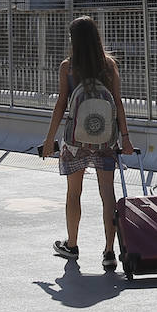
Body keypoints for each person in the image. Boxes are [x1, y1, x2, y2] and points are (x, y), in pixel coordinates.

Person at [41, 16, 134, 271]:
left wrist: (50, 140)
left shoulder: (68, 67)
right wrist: (125, 138)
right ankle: (109, 251)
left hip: (75, 140)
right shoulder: (109, 65)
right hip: (106, 138)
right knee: (107, 194)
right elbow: (117, 103)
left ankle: (71, 245)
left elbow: (62, 104)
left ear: (74, 40)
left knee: (74, 192)